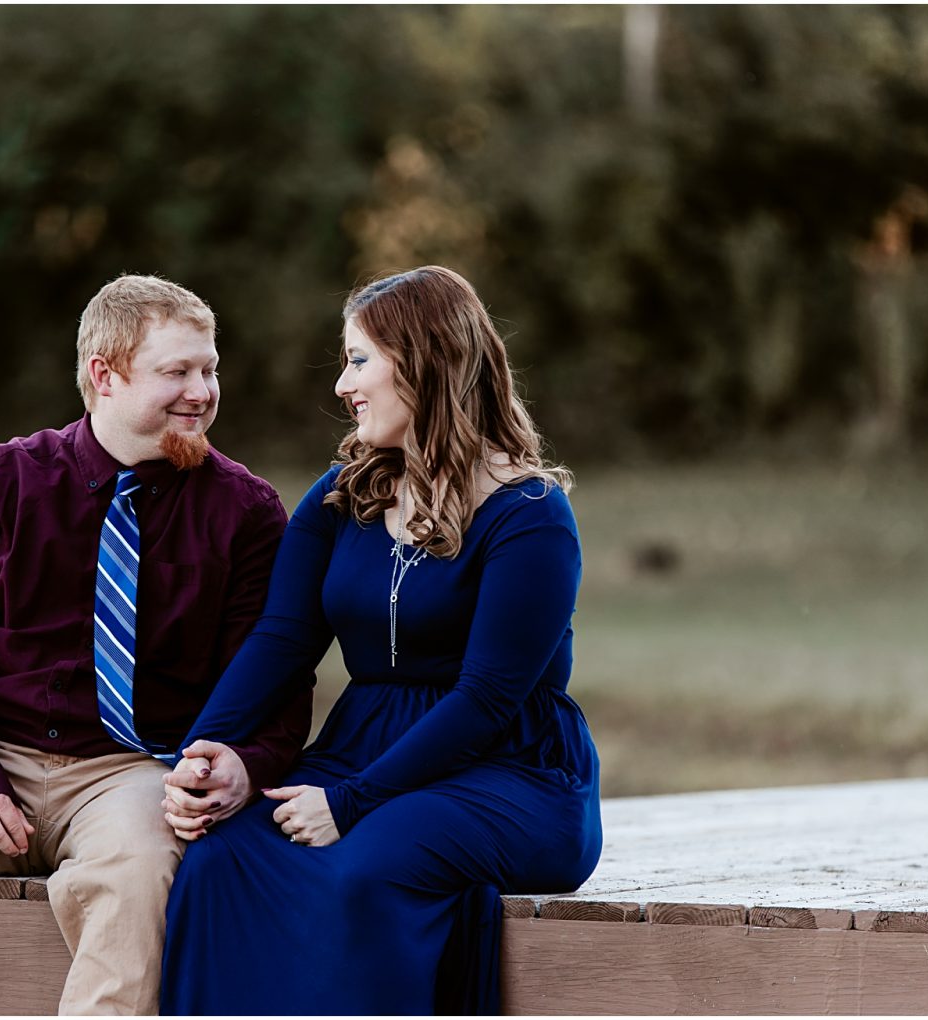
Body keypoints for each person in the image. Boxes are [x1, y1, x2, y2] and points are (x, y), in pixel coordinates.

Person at [0, 274, 312, 1015]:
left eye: (208, 370)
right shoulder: (3, 480)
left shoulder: (245, 511)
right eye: (176, 372)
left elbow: (272, 675)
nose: (202, 392)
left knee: (137, 875)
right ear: (104, 376)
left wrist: (242, 761)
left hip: (135, 768)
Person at [158, 266, 602, 1014]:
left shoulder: (529, 514)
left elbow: (489, 698)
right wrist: (208, 749)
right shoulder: (344, 494)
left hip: (507, 769)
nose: (342, 385)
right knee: (222, 852)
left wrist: (354, 800)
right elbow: (282, 638)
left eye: (359, 360)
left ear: (426, 364)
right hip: (363, 744)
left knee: (370, 863)